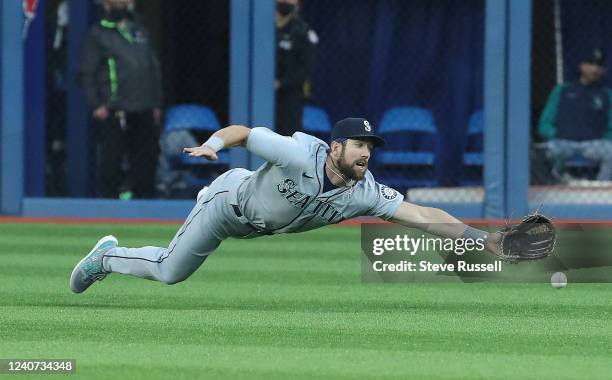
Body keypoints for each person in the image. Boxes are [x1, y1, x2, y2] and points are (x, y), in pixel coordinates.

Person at [70, 117, 506, 293]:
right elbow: (245, 132)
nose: (366, 153)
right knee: (169, 272)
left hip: (257, 226)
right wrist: (213, 143)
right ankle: (106, 256)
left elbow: (424, 215)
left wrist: (481, 239)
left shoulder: (364, 191)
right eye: (358, 145)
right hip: (227, 206)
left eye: (370, 147)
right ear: (336, 146)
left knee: (172, 272)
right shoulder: (301, 154)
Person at [78, 0, 163, 199]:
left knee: (145, 160)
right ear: (106, 5)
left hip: (144, 107)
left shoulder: (139, 31)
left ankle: (145, 204)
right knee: (111, 162)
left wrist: (157, 103)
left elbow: (153, 68)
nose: (120, 4)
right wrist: (96, 104)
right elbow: (86, 73)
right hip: (113, 108)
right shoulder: (98, 34)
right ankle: (109, 206)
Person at [538, 48, 612, 181]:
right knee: (540, 154)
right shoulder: (562, 90)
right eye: (590, 64)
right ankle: (558, 182)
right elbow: (544, 123)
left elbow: (610, 127)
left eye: (599, 66)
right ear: (582, 66)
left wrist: (601, 138)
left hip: (593, 144)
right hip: (563, 142)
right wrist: (558, 134)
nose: (594, 69)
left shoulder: (606, 95)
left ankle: (601, 188)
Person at [275, 0, 318, 136]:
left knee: (288, 138)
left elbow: (307, 69)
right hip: (261, 94)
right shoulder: (261, 27)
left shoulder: (303, 33)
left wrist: (280, 83)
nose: (286, 2)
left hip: (289, 98)